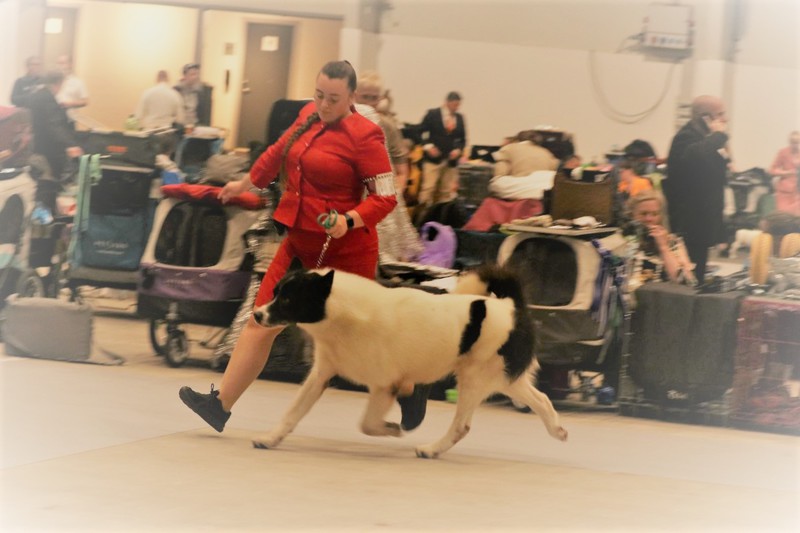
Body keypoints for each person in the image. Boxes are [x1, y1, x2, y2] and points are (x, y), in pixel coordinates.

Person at [179, 61, 429, 435]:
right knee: (260, 321)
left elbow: (385, 198)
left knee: (361, 337)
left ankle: (409, 386)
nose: (324, 104)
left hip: (347, 251)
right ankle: (219, 406)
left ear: (351, 97)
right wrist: (243, 183)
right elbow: (277, 153)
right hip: (298, 240)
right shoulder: (307, 116)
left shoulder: (367, 136)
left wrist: (349, 219)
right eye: (319, 95)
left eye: (334, 99)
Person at [355, 70, 423, 263]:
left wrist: (393, 194)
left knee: (384, 247)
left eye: (374, 98)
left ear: (381, 99)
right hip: (354, 194)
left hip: (382, 193)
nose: (369, 103)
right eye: (365, 97)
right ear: (354, 95)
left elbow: (401, 167)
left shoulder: (388, 126)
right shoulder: (344, 122)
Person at [664, 94, 730, 283]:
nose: (725, 119)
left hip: (703, 221)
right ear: (705, 117)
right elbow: (694, 157)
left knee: (698, 273)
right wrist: (718, 135)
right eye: (720, 114)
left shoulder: (705, 140)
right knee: (688, 276)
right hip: (688, 222)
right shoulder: (684, 137)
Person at [27, 70, 84, 208]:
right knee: (50, 182)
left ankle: (42, 210)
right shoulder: (48, 98)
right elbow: (54, 125)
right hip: (49, 149)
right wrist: (70, 144)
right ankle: (47, 211)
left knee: (42, 183)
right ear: (58, 83)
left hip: (38, 145)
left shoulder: (36, 95)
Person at [627, 190, 697, 291]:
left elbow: (687, 282)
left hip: (659, 297)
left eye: (655, 214)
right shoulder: (624, 241)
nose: (649, 219)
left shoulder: (672, 242)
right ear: (632, 215)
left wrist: (663, 247)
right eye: (643, 213)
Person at [417, 91, 467, 206]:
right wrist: (428, 146)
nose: (457, 107)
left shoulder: (459, 118)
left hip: (450, 162)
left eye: (458, 105)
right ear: (447, 102)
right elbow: (418, 132)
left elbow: (463, 139)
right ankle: (421, 215)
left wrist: (458, 150)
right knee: (428, 189)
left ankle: (441, 215)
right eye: (455, 105)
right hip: (433, 160)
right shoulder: (433, 114)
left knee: (446, 193)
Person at [769, 130, 800, 216]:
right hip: (784, 191)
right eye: (793, 142)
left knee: (796, 218)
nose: (795, 144)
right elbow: (772, 170)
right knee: (783, 216)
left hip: (797, 192)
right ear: (789, 142)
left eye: (797, 142)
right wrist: (785, 173)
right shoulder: (783, 152)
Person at [54, 55, 89, 125]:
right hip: (53, 119)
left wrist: (69, 104)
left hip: (68, 120)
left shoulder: (77, 82)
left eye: (63, 63)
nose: (60, 66)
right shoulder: (52, 81)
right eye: (58, 63)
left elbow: (85, 101)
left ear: (70, 64)